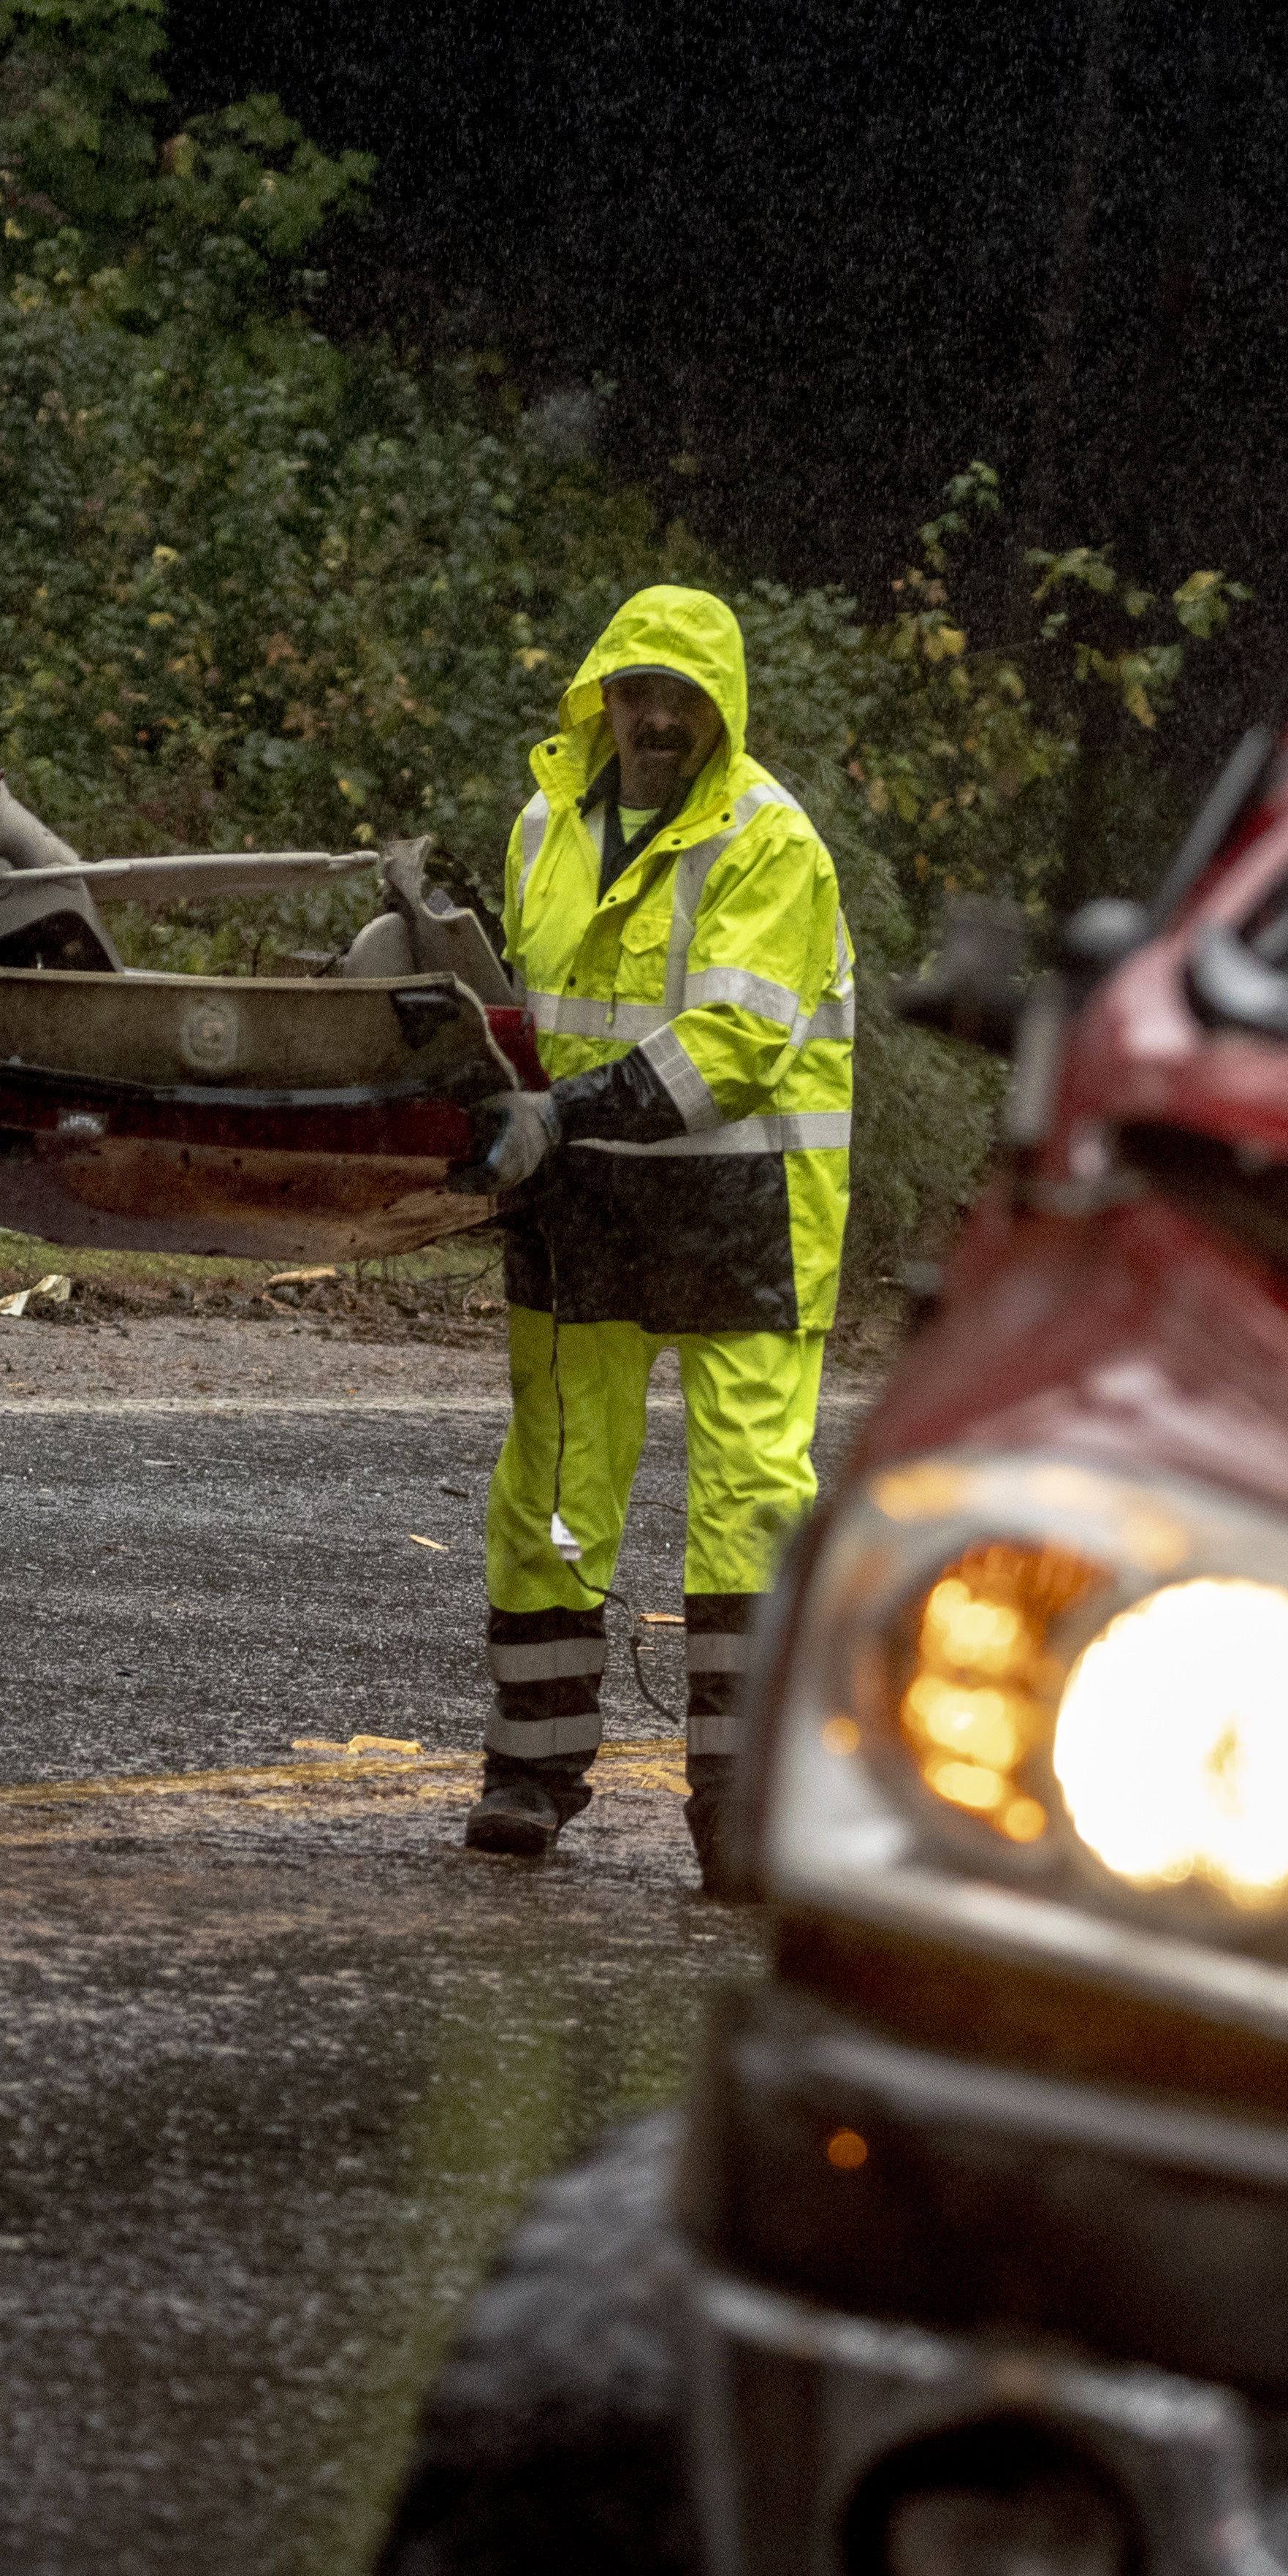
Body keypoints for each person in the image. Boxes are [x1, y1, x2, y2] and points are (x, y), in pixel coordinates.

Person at [454, 585, 856, 1890]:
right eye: (636, 693)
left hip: (743, 1208)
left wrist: (557, 1116)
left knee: (747, 1504)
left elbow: (736, 1049)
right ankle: (529, 1776)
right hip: (589, 1199)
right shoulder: (543, 825)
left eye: (682, 698)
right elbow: (519, 1006)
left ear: (720, 713)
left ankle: (741, 1811)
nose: (657, 720)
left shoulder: (769, 840)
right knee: (556, 1490)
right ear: (601, 700)